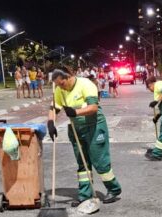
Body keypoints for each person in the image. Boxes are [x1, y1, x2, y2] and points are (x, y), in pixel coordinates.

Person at [47, 66, 122, 205]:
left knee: (99, 161)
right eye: (57, 85)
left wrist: (75, 112)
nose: (61, 88)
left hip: (94, 126)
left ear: (69, 76)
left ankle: (114, 189)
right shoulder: (59, 90)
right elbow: (54, 108)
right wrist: (50, 123)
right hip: (76, 129)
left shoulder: (86, 84)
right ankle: (85, 194)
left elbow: (93, 108)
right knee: (82, 162)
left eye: (62, 84)